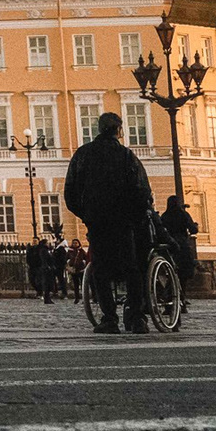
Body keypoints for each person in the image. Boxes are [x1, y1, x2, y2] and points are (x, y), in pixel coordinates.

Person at [64, 111, 155, 333]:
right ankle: (136, 318)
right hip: (124, 221)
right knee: (132, 268)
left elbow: (70, 192)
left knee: (101, 269)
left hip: (97, 221)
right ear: (119, 130)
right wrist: (136, 216)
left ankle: (109, 318)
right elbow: (142, 190)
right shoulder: (126, 156)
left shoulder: (83, 155)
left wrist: (86, 214)